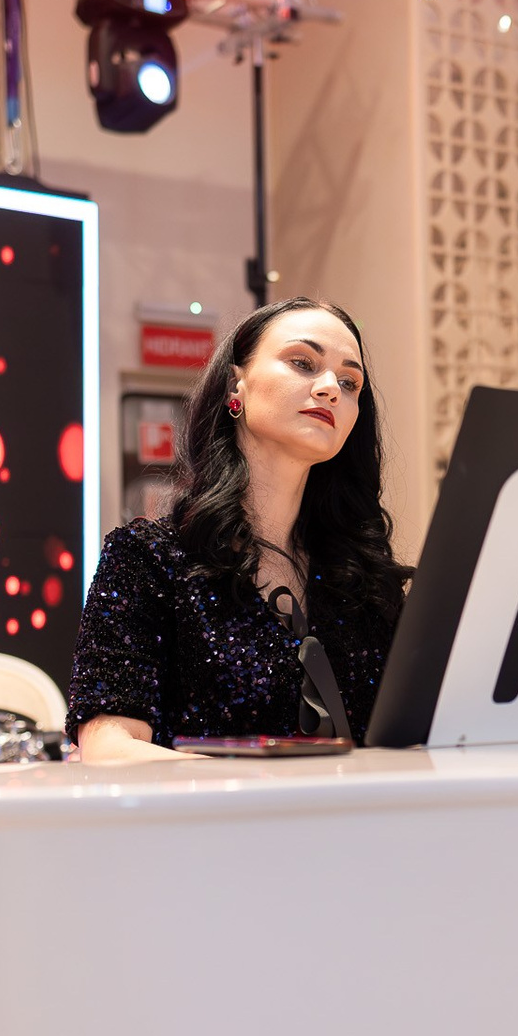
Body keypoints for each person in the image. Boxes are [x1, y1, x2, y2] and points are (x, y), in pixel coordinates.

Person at [67, 297, 409, 760]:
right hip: (210, 809)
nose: (331, 388)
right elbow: (109, 749)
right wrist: (256, 783)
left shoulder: (366, 579)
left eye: (350, 383)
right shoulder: (148, 559)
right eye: (303, 363)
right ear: (236, 384)